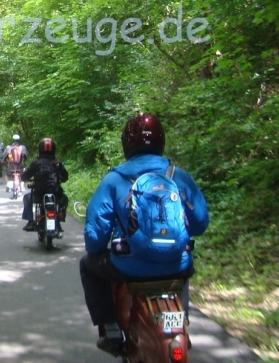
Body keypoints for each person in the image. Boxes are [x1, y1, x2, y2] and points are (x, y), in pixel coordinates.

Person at [79, 113, 209, 356]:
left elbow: (95, 241)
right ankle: (182, 324)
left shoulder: (114, 180)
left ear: (126, 144)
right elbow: (200, 224)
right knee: (184, 265)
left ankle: (111, 329)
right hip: (175, 266)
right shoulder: (178, 176)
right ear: (161, 141)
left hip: (129, 268)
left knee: (88, 265)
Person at [21, 138, 68, 232]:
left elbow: (24, 177)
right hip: (56, 194)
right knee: (65, 199)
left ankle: (30, 221)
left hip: (39, 194)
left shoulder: (36, 163)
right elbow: (65, 177)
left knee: (26, 198)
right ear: (54, 149)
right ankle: (59, 218)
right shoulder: (57, 164)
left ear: (40, 149)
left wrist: (29, 180)